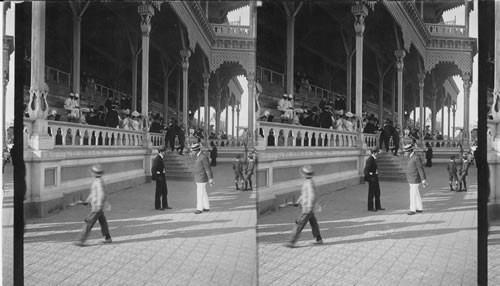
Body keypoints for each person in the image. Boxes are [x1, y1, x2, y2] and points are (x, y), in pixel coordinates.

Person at [285, 165, 323, 248]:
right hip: (308, 207)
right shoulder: (308, 182)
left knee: (299, 223)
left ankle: (291, 241)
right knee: (313, 223)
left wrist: (309, 207)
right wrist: (298, 202)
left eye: (302, 173)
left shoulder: (309, 183)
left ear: (305, 174)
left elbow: (312, 195)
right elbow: (304, 195)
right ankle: (319, 239)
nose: (301, 174)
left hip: (307, 208)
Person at [74, 164, 112, 246]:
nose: (91, 173)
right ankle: (108, 237)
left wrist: (99, 205)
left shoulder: (99, 182)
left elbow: (101, 194)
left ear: (94, 173)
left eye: (92, 172)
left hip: (97, 206)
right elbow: (93, 194)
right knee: (102, 221)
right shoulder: (97, 181)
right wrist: (87, 201)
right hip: (97, 206)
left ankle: (81, 240)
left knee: (88, 222)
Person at [403, 144, 427, 215]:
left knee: (413, 194)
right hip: (411, 178)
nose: (405, 153)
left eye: (406, 152)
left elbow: (420, 169)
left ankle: (412, 209)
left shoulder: (416, 158)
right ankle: (419, 208)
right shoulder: (410, 157)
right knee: (416, 193)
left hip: (415, 178)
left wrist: (423, 179)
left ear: (410, 151)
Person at [191, 143, 214, 214]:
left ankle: (199, 208)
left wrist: (210, 178)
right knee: (203, 192)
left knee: (200, 193)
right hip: (198, 177)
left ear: (196, 150)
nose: (192, 152)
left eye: (193, 151)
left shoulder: (203, 157)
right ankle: (206, 206)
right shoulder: (198, 156)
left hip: (202, 177)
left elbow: (208, 168)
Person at [364, 147, 385, 212]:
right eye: (377, 152)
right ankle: (370, 207)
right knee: (371, 193)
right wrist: (370, 178)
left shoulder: (374, 158)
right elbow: (366, 171)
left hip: (375, 177)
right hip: (372, 178)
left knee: (377, 192)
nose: (378, 153)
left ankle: (378, 206)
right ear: (374, 153)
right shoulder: (370, 159)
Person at [151, 146, 171, 210]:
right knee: (158, 192)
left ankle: (165, 205)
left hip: (163, 176)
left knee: (165, 191)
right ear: (162, 152)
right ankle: (157, 206)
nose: (165, 152)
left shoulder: (161, 158)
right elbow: (153, 170)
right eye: (165, 151)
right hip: (159, 177)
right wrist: (158, 177)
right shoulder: (157, 159)